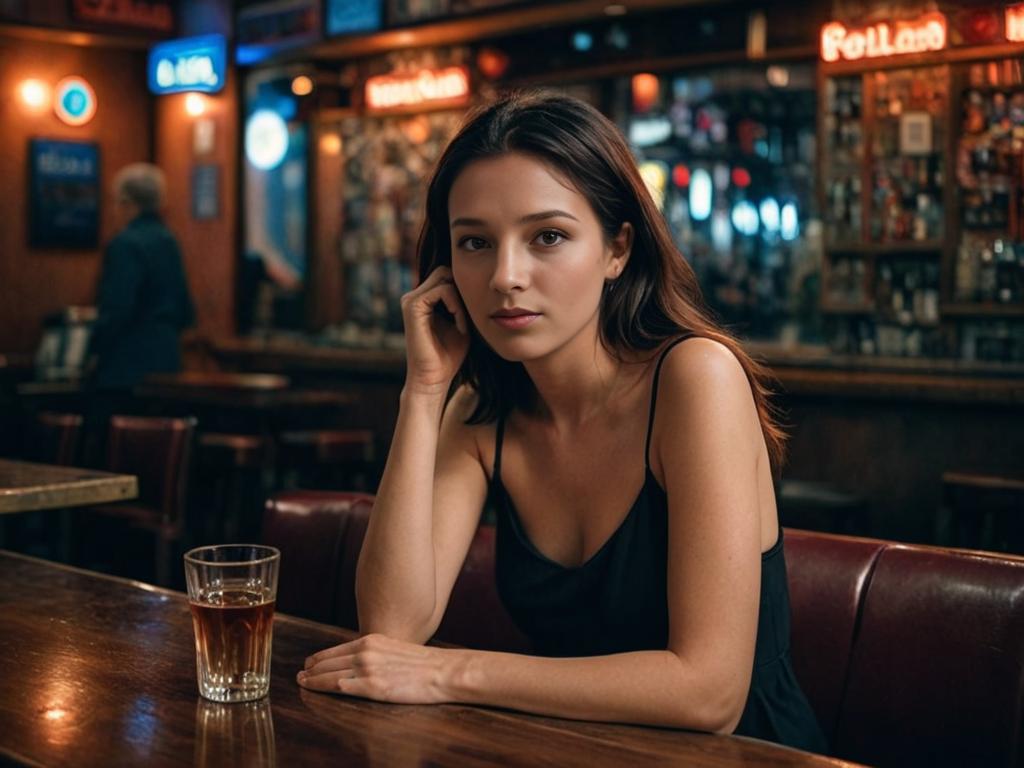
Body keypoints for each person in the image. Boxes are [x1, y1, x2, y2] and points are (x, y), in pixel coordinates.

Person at [297, 91, 828, 754]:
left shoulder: (696, 379)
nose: (505, 277)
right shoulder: (481, 411)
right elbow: (392, 627)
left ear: (617, 249)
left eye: (546, 236)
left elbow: (709, 693)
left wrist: (452, 672)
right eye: (475, 243)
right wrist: (424, 392)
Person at [83, 163, 195, 457]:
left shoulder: (125, 244)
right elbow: (186, 310)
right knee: (157, 457)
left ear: (126, 202)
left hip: (125, 370)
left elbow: (117, 310)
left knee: (111, 454)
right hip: (168, 365)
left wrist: (90, 351)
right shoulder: (169, 241)